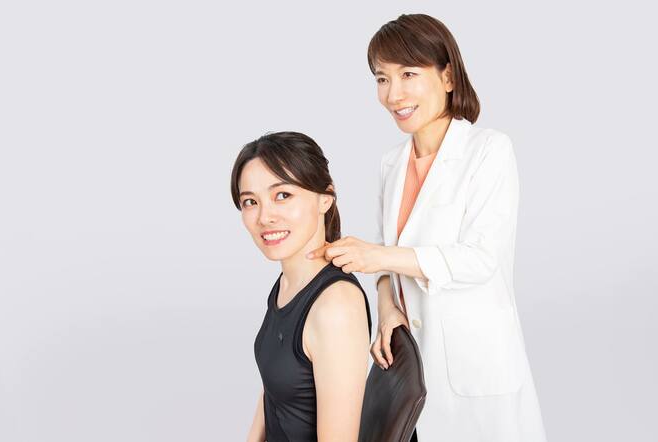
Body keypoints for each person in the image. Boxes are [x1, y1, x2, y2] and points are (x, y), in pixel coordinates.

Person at [307, 14, 547, 441]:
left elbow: (480, 260)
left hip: (476, 374)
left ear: (448, 76)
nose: (392, 94)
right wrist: (386, 310)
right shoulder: (391, 164)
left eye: (408, 74)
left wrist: (377, 256)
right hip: (414, 371)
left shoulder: (488, 150)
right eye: (382, 79)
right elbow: (385, 261)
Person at [232, 132, 372, 442]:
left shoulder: (336, 306)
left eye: (282, 195)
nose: (265, 217)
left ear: (325, 198)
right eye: (250, 202)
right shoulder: (288, 283)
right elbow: (275, 391)